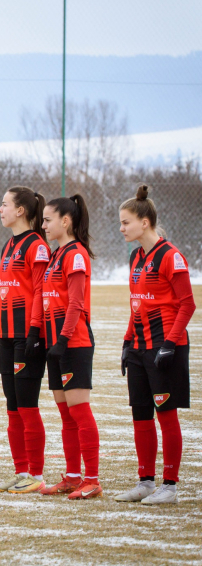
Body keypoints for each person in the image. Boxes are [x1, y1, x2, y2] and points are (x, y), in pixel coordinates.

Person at [115, 185, 195, 505]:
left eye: (125, 222)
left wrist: (170, 344)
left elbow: (187, 305)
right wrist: (125, 342)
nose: (121, 228)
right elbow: (137, 304)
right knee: (141, 415)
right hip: (138, 346)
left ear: (144, 222)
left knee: (166, 415)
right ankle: (145, 482)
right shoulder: (136, 256)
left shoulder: (171, 256)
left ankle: (170, 487)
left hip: (165, 346)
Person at [39, 194, 102, 500]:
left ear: (66, 221)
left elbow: (76, 303)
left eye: (48, 219)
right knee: (66, 415)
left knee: (80, 412)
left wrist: (63, 340)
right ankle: (73, 476)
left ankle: (92, 479)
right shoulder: (55, 254)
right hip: (56, 345)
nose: (44, 225)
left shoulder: (75, 254)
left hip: (73, 343)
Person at [0, 187, 50, 494]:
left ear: (21, 211)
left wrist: (34, 330)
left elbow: (41, 290)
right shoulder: (8, 245)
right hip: (6, 335)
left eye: (4, 204)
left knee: (27, 406)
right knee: (12, 407)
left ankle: (36, 475)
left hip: (27, 336)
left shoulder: (37, 245)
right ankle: (21, 471)